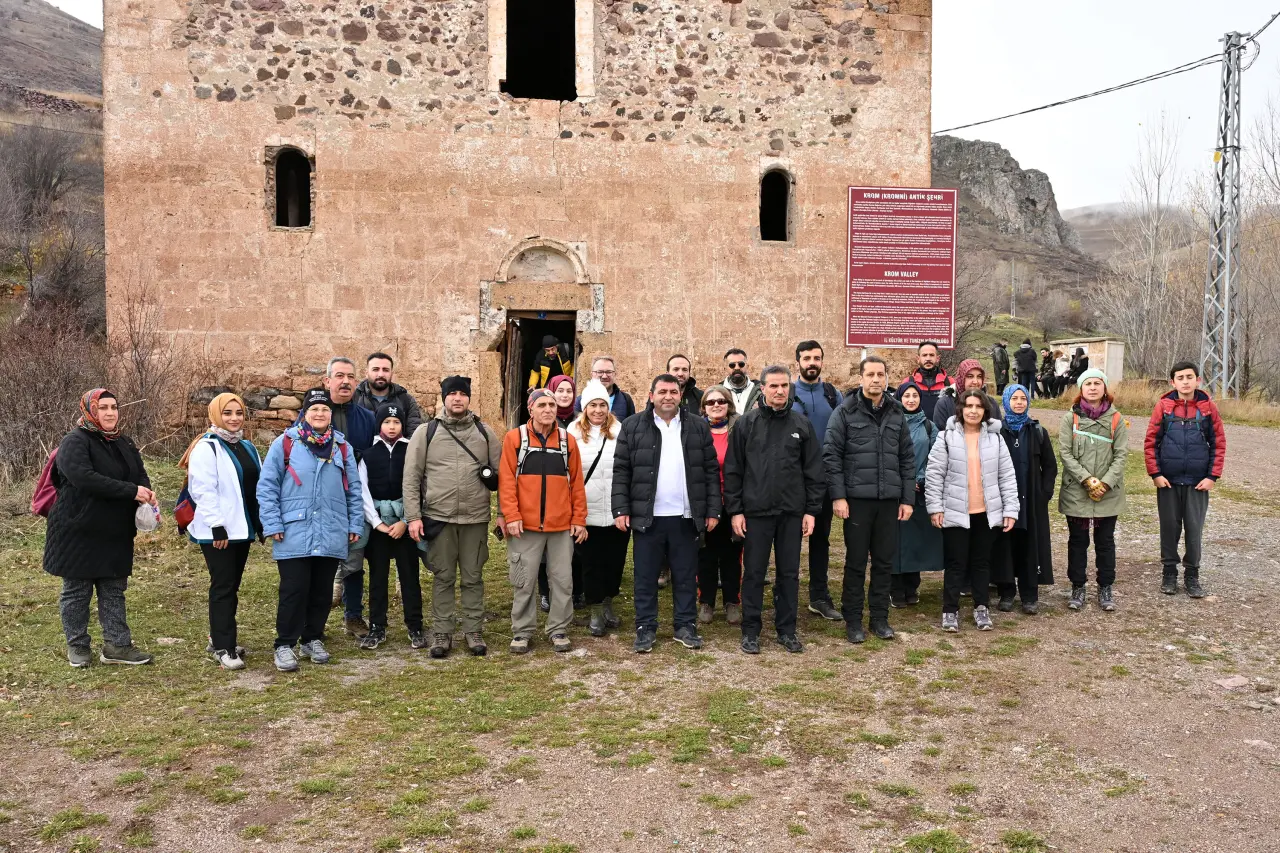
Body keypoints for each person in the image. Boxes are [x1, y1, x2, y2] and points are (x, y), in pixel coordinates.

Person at [44, 388, 156, 667]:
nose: (110, 413)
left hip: (115, 530)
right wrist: (131, 491)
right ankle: (78, 646)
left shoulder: (124, 442)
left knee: (113, 588)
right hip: (77, 529)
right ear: (89, 411)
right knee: (77, 590)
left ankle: (117, 645)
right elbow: (84, 478)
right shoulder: (75, 441)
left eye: (114, 407)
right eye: (103, 407)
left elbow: (139, 475)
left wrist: (147, 496)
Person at [613, 374, 721, 652]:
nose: (668, 396)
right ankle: (645, 627)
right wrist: (622, 508)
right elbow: (622, 470)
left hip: (686, 516)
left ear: (680, 395)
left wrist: (712, 510)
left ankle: (685, 625)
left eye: (673, 391)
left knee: (686, 574)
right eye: (662, 391)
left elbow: (709, 471)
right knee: (646, 576)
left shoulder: (697, 426)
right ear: (651, 396)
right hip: (648, 516)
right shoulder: (633, 425)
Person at [258, 389, 364, 672]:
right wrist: (272, 523)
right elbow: (267, 487)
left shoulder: (342, 447)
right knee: (294, 589)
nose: (320, 413)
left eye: (325, 409)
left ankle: (312, 638)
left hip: (331, 528)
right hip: (294, 529)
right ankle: (284, 644)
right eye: (314, 408)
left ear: (331, 414)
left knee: (320, 591)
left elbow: (354, 490)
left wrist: (354, 524)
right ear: (304, 413)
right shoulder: (286, 444)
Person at [725, 366, 824, 654]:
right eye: (774, 386)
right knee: (754, 572)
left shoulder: (801, 425)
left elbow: (814, 472)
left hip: (792, 513)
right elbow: (733, 471)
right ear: (763, 389)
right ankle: (751, 630)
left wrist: (810, 511)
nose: (780, 391)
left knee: (789, 573)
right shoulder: (746, 425)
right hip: (755, 513)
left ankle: (787, 629)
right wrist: (736, 511)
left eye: (784, 386)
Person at [404, 376, 501, 657]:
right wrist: (413, 517)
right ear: (443, 398)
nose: (457, 398)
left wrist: (503, 514)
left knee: (473, 577)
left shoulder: (485, 433)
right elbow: (411, 477)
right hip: (439, 518)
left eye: (462, 394)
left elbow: (503, 477)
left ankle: (473, 630)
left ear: (469, 398)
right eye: (452, 394)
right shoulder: (426, 433)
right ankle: (442, 634)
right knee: (443, 577)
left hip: (475, 518)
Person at [824, 356, 915, 643]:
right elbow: (832, 456)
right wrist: (838, 496)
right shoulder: (844, 412)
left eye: (881, 374)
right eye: (870, 374)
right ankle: (853, 619)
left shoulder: (896, 412)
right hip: (857, 501)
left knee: (884, 562)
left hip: (888, 500)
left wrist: (907, 498)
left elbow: (906, 458)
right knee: (855, 562)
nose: (876, 379)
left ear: (887, 378)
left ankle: (879, 618)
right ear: (861, 378)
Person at [499, 389, 588, 654]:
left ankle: (558, 628)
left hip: (560, 525)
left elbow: (577, 484)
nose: (548, 409)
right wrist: (511, 516)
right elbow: (506, 482)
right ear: (531, 409)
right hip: (525, 525)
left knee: (562, 580)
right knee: (523, 580)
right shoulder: (515, 439)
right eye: (542, 405)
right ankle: (522, 632)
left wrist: (579, 519)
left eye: (551, 405)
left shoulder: (567, 441)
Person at [925, 389, 1020, 632]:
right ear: (961, 409)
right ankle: (950, 610)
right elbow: (935, 475)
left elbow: (1007, 477)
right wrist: (935, 507)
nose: (973, 410)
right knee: (955, 563)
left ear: (985, 411)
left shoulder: (996, 439)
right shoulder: (946, 437)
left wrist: (1010, 510)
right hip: (955, 511)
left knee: (981, 563)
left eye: (979, 406)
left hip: (986, 514)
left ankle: (981, 607)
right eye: (969, 406)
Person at [180, 392, 263, 670]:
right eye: (227, 413)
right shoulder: (207, 447)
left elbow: (255, 488)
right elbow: (202, 489)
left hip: (242, 528)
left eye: (238, 413)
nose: (234, 418)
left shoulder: (247, 446)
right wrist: (217, 527)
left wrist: (260, 522)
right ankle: (223, 647)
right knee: (223, 587)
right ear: (215, 415)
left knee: (232, 586)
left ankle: (220, 637)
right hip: (219, 531)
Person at [1144, 361, 1226, 599]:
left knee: (1193, 529)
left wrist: (1212, 476)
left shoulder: (1208, 407)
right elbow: (1151, 442)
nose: (1185, 381)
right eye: (1180, 377)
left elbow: (1219, 443)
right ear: (1173, 382)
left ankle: (1192, 575)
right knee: (1169, 528)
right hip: (1168, 481)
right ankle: (1169, 573)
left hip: (1197, 482)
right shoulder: (1164, 407)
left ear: (1198, 380)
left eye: (1190, 377)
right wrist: (1156, 474)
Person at [356, 403, 424, 652]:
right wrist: (377, 523)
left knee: (410, 576)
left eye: (396, 423)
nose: (392, 427)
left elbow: (418, 486)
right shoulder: (368, 454)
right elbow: (362, 491)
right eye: (387, 422)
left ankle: (415, 625)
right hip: (379, 526)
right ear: (379, 425)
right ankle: (377, 626)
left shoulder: (411, 451)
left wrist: (406, 522)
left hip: (405, 524)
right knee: (378, 577)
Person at [1058, 368, 1127, 613]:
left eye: (1098, 383)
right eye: (1088, 383)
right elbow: (1065, 453)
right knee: (1077, 541)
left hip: (1108, 493)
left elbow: (1120, 455)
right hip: (1077, 491)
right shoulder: (1071, 418)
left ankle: (1105, 587)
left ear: (1105, 388)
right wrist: (1087, 480)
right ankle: (1077, 587)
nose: (1093, 387)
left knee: (1105, 542)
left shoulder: (1116, 419)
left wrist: (1105, 483)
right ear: (1081, 388)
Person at [318, 357, 376, 638]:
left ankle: (353, 616)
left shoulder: (366, 418)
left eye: (351, 377)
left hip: (354, 500)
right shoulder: (314, 416)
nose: (345, 381)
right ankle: (313, 621)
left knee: (354, 560)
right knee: (320, 563)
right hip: (321, 502)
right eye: (339, 376)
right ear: (327, 381)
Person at [568, 380, 628, 636]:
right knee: (591, 563)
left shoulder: (620, 430)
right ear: (584, 407)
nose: (598, 410)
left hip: (615, 508)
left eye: (602, 404)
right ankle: (594, 610)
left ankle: (608, 604)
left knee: (614, 560)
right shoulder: (572, 432)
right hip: (587, 509)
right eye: (593, 404)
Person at [790, 340, 843, 622]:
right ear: (797, 361)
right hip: (790, 482)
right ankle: (786, 595)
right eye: (807, 358)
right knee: (788, 540)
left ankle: (819, 597)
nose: (812, 362)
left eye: (817, 358)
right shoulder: (785, 393)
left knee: (821, 540)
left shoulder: (834, 395)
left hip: (821, 481)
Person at [992, 384, 1057, 615]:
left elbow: (1050, 466)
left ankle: (1029, 595)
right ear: (1006, 401)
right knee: (1005, 546)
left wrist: (1044, 494)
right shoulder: (997, 431)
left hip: (1031, 501)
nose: (1019, 402)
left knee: (1030, 546)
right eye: (1014, 398)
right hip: (1003, 501)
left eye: (1023, 399)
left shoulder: (1037, 431)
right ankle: (1006, 592)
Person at [889, 381, 943, 608]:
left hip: (920, 492)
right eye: (906, 396)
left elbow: (936, 456)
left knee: (917, 542)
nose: (911, 400)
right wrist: (905, 481)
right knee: (895, 541)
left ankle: (912, 585)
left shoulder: (929, 427)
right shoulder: (891, 423)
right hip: (897, 491)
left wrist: (920, 479)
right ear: (899, 398)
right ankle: (895, 588)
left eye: (915, 396)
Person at [696, 385, 743, 625]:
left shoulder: (740, 428)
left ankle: (732, 601)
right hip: (705, 501)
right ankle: (707, 601)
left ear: (729, 404)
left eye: (721, 401)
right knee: (706, 553)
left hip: (733, 500)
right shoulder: (695, 430)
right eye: (711, 402)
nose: (716, 405)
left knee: (732, 554)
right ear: (704, 407)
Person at [541, 376, 582, 608]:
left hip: (573, 490)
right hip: (546, 493)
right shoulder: (543, 419)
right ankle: (545, 592)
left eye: (569, 391)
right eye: (560, 391)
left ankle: (576, 591)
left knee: (574, 549)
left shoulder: (580, 420)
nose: (565, 395)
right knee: (542, 551)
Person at [354, 352, 424, 437]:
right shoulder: (354, 398)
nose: (381, 374)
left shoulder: (406, 400)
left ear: (392, 373)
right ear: (366, 372)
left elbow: (414, 435)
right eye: (375, 369)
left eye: (385, 370)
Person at [932, 358, 1002, 431]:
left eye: (979, 376)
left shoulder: (991, 403)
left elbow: (998, 433)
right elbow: (941, 436)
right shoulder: (945, 404)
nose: (975, 381)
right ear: (961, 378)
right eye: (970, 376)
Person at [575, 355, 637, 420]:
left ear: (614, 374)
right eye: (600, 372)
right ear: (592, 374)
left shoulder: (626, 399)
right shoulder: (580, 400)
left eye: (609, 372)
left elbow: (631, 426)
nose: (604, 376)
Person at [901, 341, 951, 421]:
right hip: (917, 431)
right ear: (918, 359)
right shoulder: (908, 382)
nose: (928, 358)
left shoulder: (950, 383)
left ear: (937, 358)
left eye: (931, 355)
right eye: (924, 355)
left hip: (942, 431)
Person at [722, 348, 762, 413]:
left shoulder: (760, 390)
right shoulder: (718, 391)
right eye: (732, 365)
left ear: (747, 366)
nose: (737, 367)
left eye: (741, 364)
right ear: (725, 368)